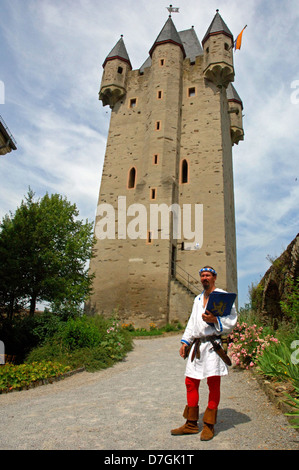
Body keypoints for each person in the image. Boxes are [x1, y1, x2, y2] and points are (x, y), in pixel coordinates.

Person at [171, 266, 237, 440]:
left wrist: (216, 320)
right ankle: (191, 423)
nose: (204, 278)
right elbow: (192, 323)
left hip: (213, 346)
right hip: (198, 346)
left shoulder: (223, 296)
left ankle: (209, 424)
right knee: (190, 381)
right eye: (202, 276)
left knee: (213, 383)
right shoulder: (198, 299)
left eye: (207, 275)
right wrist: (185, 342)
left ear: (214, 278)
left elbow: (232, 320)